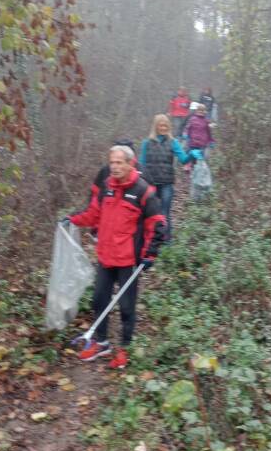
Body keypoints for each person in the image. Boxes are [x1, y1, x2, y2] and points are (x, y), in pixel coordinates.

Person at [65, 145, 166, 369]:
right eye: (112, 163)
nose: (115, 167)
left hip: (128, 260)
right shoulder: (106, 188)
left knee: (127, 306)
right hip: (106, 255)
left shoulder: (143, 191)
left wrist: (150, 253)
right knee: (99, 299)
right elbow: (94, 214)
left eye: (120, 162)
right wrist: (72, 220)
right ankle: (102, 342)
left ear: (131, 164)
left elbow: (157, 223)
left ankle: (125, 348)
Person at [139, 114, 193, 241]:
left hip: (166, 183)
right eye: (160, 125)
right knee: (151, 213)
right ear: (155, 126)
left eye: (165, 125)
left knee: (165, 212)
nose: (163, 128)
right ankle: (152, 238)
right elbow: (142, 163)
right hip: (150, 183)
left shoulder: (173, 143)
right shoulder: (147, 143)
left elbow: (184, 160)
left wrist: (192, 154)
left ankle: (167, 240)